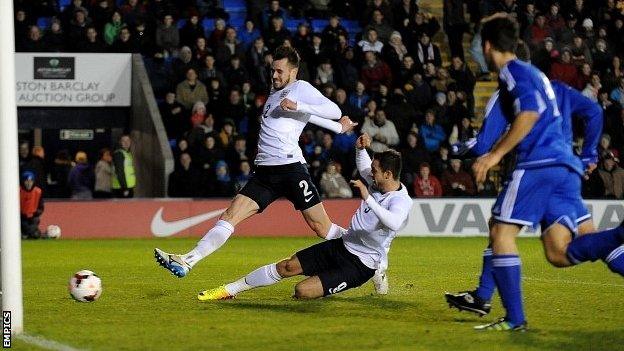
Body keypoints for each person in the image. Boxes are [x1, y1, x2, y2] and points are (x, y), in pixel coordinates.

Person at [445, 14, 624, 332]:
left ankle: (514, 320)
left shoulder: (512, 72)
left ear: (487, 46)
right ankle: (620, 235)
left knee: (501, 232)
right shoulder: (544, 80)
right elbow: (589, 112)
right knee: (560, 252)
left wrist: (492, 156)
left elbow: (528, 113)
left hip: (538, 165)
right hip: (565, 168)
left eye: (478, 46)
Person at [154, 46, 358, 278]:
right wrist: (337, 128)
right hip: (264, 174)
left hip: (291, 169)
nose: (274, 75)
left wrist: (306, 108)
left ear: (293, 71)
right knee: (230, 216)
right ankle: (187, 261)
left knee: (323, 228)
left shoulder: (300, 88)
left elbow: (333, 109)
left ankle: (367, 252)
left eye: (279, 71)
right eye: (272, 70)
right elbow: (305, 117)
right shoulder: (274, 93)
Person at [196, 134, 411, 300]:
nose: (370, 173)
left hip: (360, 264)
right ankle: (229, 290)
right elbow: (364, 164)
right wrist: (360, 147)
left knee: (302, 291)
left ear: (388, 175)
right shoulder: (377, 181)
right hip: (342, 244)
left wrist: (368, 198)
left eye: (375, 171)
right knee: (286, 266)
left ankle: (369, 273)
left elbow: (394, 222)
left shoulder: (400, 201)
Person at [20, 171, 43, 239]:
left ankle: (32, 233)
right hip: (21, 218)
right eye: (26, 181)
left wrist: (35, 213)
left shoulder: (38, 191)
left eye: (31, 181)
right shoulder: (18, 191)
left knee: (34, 234)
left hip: (33, 217)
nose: (29, 184)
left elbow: (41, 207)